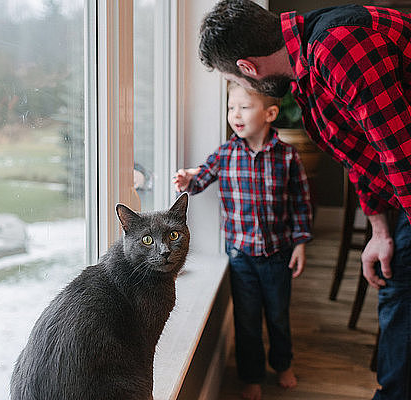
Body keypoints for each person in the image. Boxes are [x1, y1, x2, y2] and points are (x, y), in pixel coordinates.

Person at [197, 1, 411, 399]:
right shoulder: (306, 74)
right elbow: (361, 156)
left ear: (248, 69)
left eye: (235, 82)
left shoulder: (339, 45)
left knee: (402, 288)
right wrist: (379, 231)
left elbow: (402, 155)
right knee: (396, 280)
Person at [173, 81, 313, 400]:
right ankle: (251, 375)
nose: (234, 114)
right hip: (241, 257)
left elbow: (301, 202)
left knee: (278, 315)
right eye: (230, 107)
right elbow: (200, 179)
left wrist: (301, 243)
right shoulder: (225, 154)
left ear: (270, 113)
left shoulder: (287, 157)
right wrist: (188, 180)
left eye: (244, 107)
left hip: (278, 254)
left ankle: (282, 364)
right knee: (247, 320)